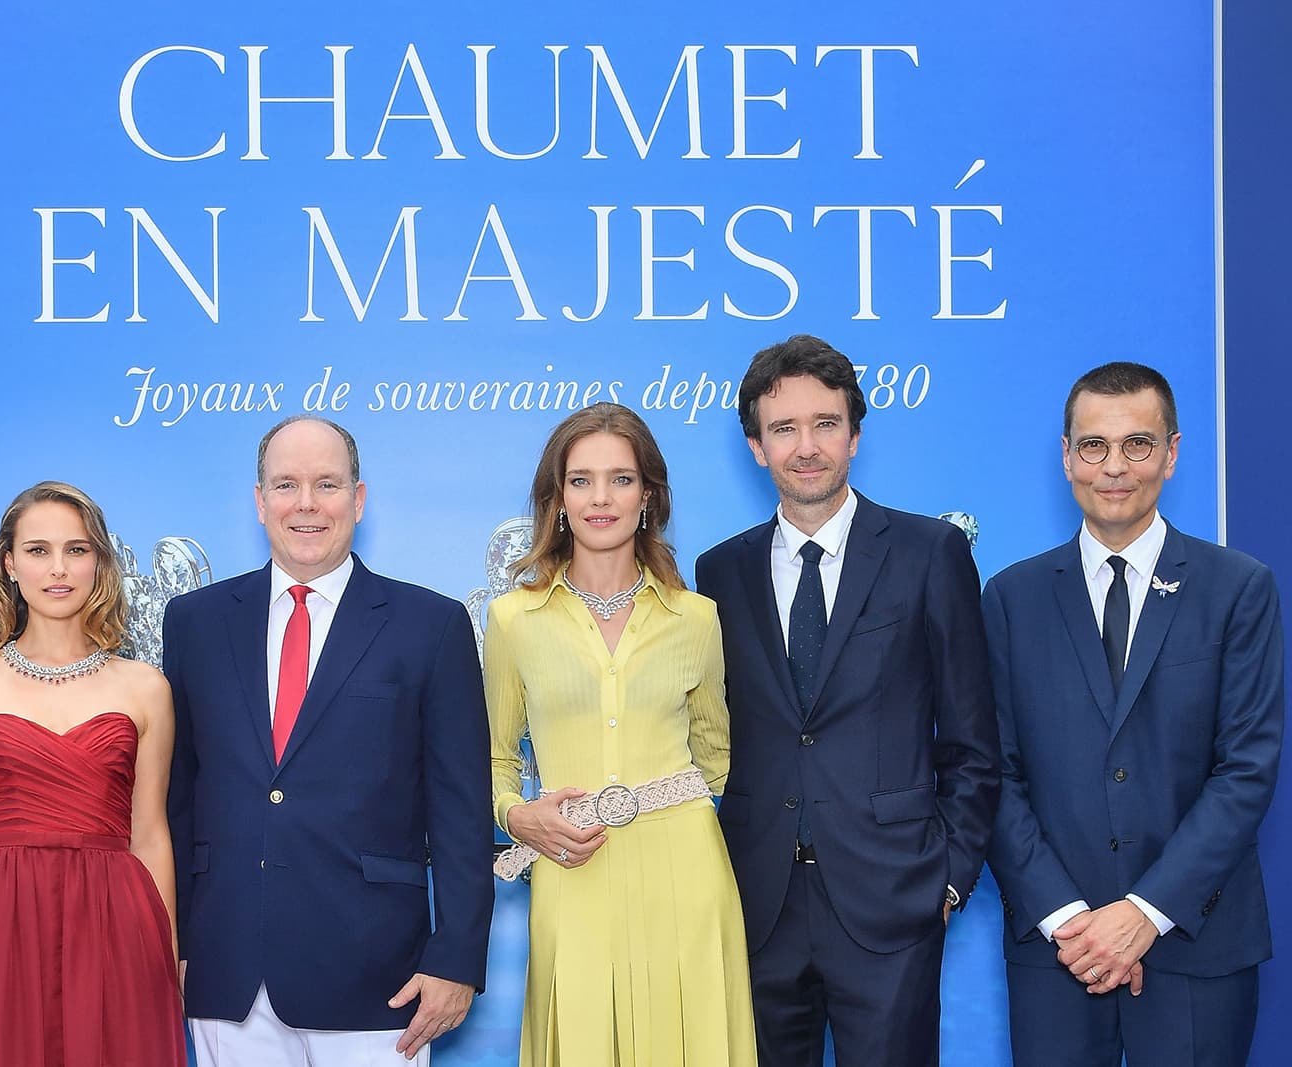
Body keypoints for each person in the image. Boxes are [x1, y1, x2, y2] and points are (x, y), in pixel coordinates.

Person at [695, 334, 1000, 1066]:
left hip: (893, 901)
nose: (807, 446)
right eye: (785, 428)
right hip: (756, 905)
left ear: (855, 435)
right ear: (755, 445)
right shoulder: (719, 572)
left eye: (825, 423)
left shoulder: (930, 553)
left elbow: (972, 742)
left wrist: (947, 881)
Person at [164, 415, 493, 1067]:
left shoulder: (431, 625)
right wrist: (168, 941)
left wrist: (457, 957)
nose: (306, 503)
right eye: (286, 484)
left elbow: (461, 809)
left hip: (380, 981)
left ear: (359, 498)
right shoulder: (195, 623)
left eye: (327, 483)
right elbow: (176, 797)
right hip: (227, 972)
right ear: (259, 501)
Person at [983, 361, 1283, 1066]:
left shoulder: (1239, 589)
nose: (1114, 467)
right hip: (1058, 951)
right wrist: (1071, 920)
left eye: (1138, 444)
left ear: (1173, 452)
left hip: (1196, 945)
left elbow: (1246, 771)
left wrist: (1142, 913)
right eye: (1093, 445)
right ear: (1066, 456)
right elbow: (991, 770)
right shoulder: (1010, 597)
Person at [485, 403, 757, 1067]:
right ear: (556, 500)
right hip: (571, 870)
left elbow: (722, 765)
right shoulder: (514, 619)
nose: (600, 497)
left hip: (687, 877)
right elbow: (493, 758)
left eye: (620, 479)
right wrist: (519, 815)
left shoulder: (697, 618)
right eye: (580, 480)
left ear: (649, 497)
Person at [0, 481, 185, 1067]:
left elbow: (150, 834)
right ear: (8, 564)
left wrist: (165, 954)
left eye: (77, 549)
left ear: (100, 562)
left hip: (117, 924)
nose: (58, 568)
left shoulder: (145, 687)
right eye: (38, 550)